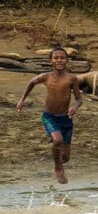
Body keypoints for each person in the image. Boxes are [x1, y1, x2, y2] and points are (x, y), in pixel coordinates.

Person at [16, 47, 83, 184]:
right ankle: (58, 168)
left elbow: (79, 99)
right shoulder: (45, 76)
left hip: (65, 119)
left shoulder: (72, 79)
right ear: (50, 61)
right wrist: (22, 99)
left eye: (62, 58)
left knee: (65, 158)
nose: (59, 60)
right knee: (57, 141)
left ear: (67, 61)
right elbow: (31, 82)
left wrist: (74, 107)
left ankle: (59, 161)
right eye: (56, 58)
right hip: (49, 116)